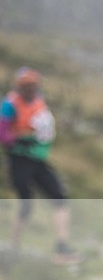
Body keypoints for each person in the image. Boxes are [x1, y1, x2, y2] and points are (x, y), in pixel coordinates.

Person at [0, 67, 79, 264]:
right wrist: (19, 139)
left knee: (60, 196)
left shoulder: (38, 101)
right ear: (19, 87)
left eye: (34, 86)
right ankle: (13, 248)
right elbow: (3, 133)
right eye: (27, 86)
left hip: (38, 159)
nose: (31, 89)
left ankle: (61, 248)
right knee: (26, 204)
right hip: (19, 161)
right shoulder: (9, 105)